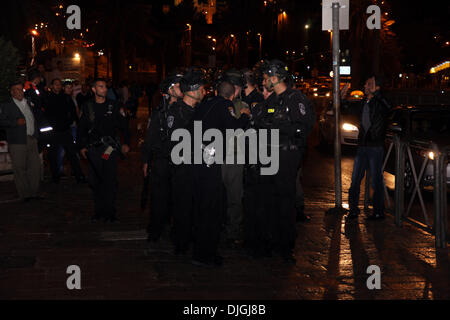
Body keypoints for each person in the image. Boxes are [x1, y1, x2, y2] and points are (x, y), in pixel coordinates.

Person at [254, 60, 315, 264]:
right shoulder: (272, 100)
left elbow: (304, 128)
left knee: (285, 201)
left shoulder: (295, 99)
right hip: (269, 156)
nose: (263, 82)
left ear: (274, 78)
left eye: (265, 78)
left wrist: (278, 127)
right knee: (268, 201)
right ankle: (269, 241)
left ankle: (285, 246)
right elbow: (260, 120)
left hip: (286, 157)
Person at [191, 80, 250, 267]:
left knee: (202, 205)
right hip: (211, 160)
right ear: (232, 95)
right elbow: (233, 128)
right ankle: (205, 254)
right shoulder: (226, 105)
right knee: (211, 208)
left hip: (198, 159)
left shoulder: (205, 105)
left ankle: (200, 249)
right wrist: (245, 117)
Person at [77, 79, 131, 223]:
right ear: (94, 89)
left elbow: (124, 126)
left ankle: (110, 212)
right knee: (95, 181)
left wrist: (126, 143)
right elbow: (81, 128)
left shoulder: (114, 106)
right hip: (93, 149)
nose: (104, 89)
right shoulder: (87, 106)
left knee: (110, 180)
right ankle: (99, 211)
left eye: (105, 87)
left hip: (109, 148)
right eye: (101, 87)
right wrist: (81, 146)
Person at [166, 69, 205, 255]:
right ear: (193, 90)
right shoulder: (178, 112)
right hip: (183, 168)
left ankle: (193, 238)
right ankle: (181, 243)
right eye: (202, 88)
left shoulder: (198, 110)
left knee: (197, 206)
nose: (204, 92)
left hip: (197, 167)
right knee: (182, 206)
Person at [141, 73, 184, 245]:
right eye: (179, 85)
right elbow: (150, 137)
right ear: (170, 89)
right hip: (161, 160)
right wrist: (145, 160)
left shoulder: (186, 108)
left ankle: (176, 230)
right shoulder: (160, 111)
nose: (183, 88)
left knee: (179, 197)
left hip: (180, 160)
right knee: (158, 197)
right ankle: (156, 229)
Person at [346, 75, 391, 221]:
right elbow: (345, 106)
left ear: (377, 87)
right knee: (355, 179)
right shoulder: (363, 102)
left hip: (375, 147)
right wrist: (342, 94)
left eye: (369, 84)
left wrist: (376, 93)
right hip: (363, 146)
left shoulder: (380, 102)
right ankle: (353, 210)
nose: (365, 86)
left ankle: (378, 212)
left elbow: (388, 108)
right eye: (366, 84)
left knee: (376, 181)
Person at [221, 69, 250, 247]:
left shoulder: (214, 103)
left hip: (223, 157)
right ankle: (231, 230)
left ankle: (228, 228)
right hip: (232, 158)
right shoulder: (240, 107)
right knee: (233, 197)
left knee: (227, 197)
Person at [0, 81, 42, 201]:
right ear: (12, 92)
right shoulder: (6, 105)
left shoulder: (28, 102)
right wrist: (15, 123)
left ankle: (34, 193)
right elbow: (1, 121)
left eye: (21, 89)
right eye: (16, 89)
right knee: (20, 168)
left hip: (31, 139)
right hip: (17, 141)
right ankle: (25, 195)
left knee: (35, 167)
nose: (19, 92)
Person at [43, 79, 85, 183]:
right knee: (53, 155)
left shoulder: (66, 97)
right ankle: (55, 176)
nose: (58, 86)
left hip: (65, 130)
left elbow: (73, 113)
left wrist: (69, 122)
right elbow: (45, 115)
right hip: (53, 132)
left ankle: (79, 176)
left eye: (59, 85)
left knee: (72, 153)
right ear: (52, 86)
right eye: (55, 84)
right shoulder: (47, 98)